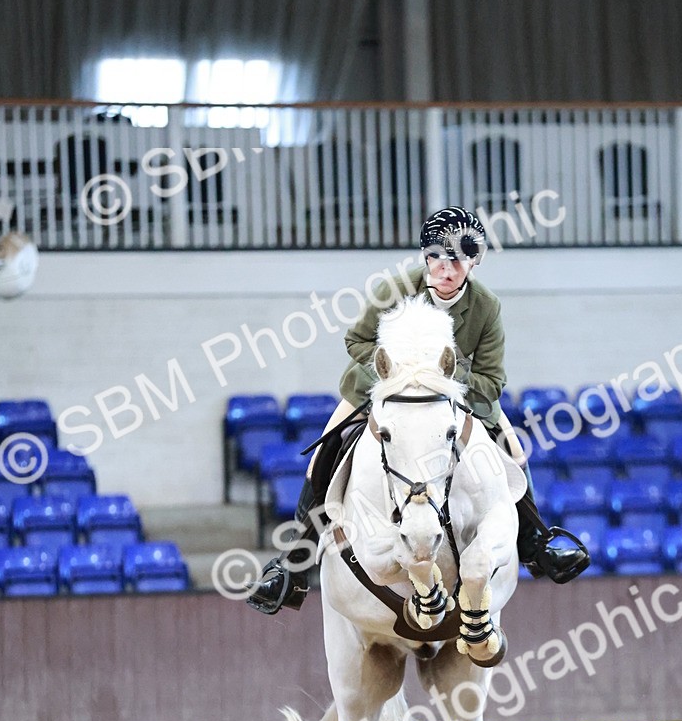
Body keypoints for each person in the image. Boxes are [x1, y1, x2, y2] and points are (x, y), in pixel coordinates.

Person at [248, 207, 589, 615]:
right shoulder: (395, 288)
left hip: (459, 399)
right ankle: (293, 565)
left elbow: (492, 382)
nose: (446, 269)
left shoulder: (486, 306)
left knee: (513, 451)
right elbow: (355, 340)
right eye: (437, 258)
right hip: (383, 392)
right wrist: (393, 363)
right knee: (327, 448)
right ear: (426, 257)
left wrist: (441, 371)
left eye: (458, 260)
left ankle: (535, 543)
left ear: (473, 262)